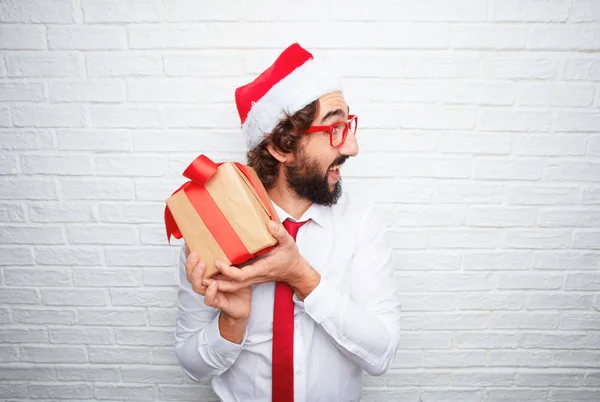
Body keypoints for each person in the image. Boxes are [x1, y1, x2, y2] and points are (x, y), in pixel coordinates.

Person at [174, 43, 401, 402]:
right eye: (334, 128)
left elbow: (382, 352)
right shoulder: (212, 226)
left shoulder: (360, 222)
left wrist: (301, 277)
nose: (352, 147)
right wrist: (231, 324)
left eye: (349, 125)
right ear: (282, 147)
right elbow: (191, 366)